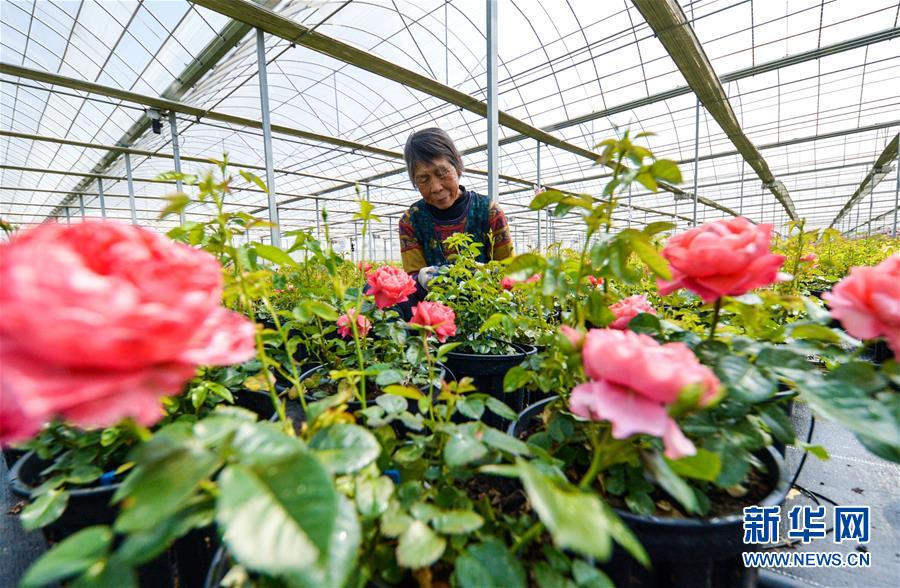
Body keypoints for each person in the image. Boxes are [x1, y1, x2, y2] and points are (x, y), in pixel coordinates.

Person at [398, 128, 514, 299]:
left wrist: (483, 273)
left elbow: (510, 271)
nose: (436, 187)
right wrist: (420, 278)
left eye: (442, 172)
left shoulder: (489, 212)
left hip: (485, 307)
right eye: (423, 179)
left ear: (457, 165)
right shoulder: (411, 220)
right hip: (432, 315)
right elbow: (411, 281)